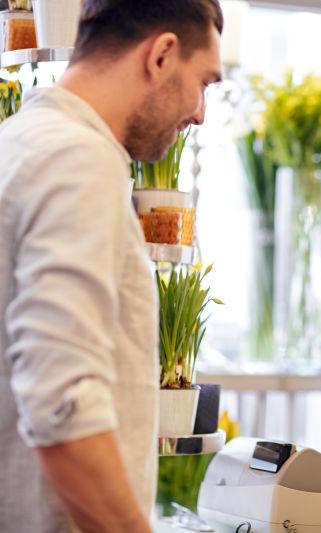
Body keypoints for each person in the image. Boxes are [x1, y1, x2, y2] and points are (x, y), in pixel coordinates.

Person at [0, 1, 222, 531]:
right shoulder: (79, 161)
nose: (199, 114)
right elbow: (63, 402)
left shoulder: (19, 143)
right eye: (204, 83)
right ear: (162, 55)